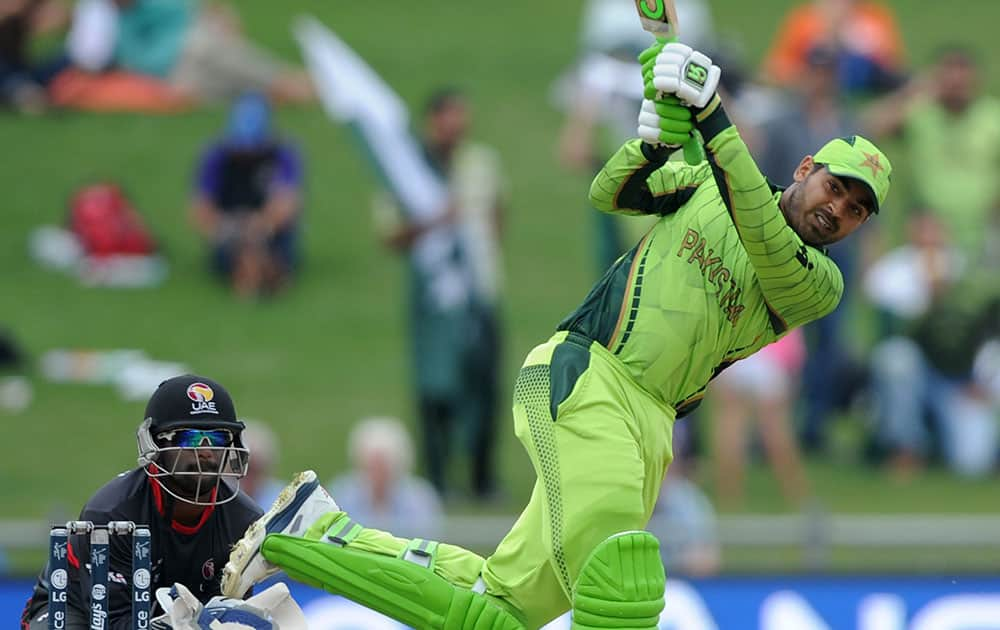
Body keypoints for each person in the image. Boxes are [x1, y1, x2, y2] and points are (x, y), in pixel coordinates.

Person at [219, 40, 891, 629]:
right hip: (584, 378)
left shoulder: (818, 283)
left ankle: (311, 534)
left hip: (652, 428)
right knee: (618, 584)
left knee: (494, 613)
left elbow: (760, 228)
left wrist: (712, 115)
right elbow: (613, 190)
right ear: (805, 168)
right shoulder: (711, 183)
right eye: (837, 188)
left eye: (857, 210)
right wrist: (655, 142)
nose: (840, 210)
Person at [20, 374, 264, 629]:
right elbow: (111, 622)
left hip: (179, 617)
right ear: (155, 443)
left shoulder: (245, 520)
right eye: (188, 438)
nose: (205, 451)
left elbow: (226, 614)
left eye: (216, 438)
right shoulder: (112, 512)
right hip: (73, 608)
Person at [374, 88, 507, 500]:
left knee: (486, 384)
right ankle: (438, 479)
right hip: (433, 298)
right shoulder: (406, 168)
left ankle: (483, 480)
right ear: (432, 121)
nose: (457, 128)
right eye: (449, 119)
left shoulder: (481, 161)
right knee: (436, 389)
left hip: (481, 291)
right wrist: (435, 222)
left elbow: (499, 212)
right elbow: (390, 235)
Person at [863, 45, 1000, 264]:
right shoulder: (920, 113)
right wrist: (913, 92)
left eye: (962, 78)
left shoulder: (992, 117)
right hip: (929, 238)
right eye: (950, 78)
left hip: (985, 235)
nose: (956, 85)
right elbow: (868, 128)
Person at [190, 91, 304, 298]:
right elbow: (201, 209)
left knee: (266, 252)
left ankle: (269, 271)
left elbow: (287, 204)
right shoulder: (216, 156)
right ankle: (246, 273)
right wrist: (228, 230)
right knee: (237, 253)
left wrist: (260, 227)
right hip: (229, 229)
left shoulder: (282, 154)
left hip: (271, 232)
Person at [328, 416, 443, 539]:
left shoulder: (420, 498)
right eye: (370, 465)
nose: (376, 473)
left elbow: (429, 541)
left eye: (382, 465)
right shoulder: (340, 495)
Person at [762, 0, 906, 96]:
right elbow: (776, 69)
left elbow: (892, 66)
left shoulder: (874, 17)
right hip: (814, 88)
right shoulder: (807, 20)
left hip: (869, 86)